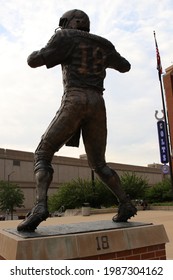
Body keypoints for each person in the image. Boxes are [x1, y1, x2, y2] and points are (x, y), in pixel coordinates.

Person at [17, 9, 137, 231]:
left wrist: (42, 51)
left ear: (72, 22)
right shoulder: (104, 44)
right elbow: (125, 66)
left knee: (43, 153)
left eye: (65, 22)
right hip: (98, 102)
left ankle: (40, 206)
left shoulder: (65, 37)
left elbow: (33, 61)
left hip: (75, 97)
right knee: (99, 164)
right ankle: (126, 203)